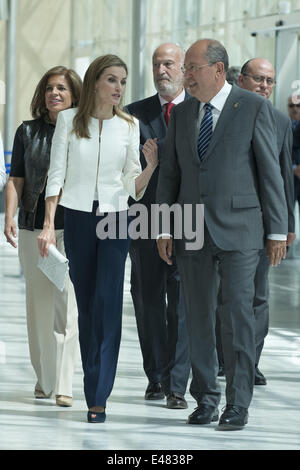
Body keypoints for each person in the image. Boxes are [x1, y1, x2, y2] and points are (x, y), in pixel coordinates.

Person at [156, 39, 288, 430]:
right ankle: (206, 400)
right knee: (196, 318)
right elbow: (170, 175)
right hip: (192, 231)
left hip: (242, 233)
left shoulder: (254, 108)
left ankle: (238, 403)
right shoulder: (181, 115)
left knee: (236, 319)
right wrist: (164, 225)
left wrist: (278, 229)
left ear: (217, 70)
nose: (186, 76)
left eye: (192, 68)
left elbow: (271, 173)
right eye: (186, 69)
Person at [37, 54, 158, 424]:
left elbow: (132, 185)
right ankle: (92, 381)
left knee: (106, 302)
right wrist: (46, 224)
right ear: (94, 84)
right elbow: (56, 174)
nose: (119, 87)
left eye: (122, 81)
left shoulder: (130, 125)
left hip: (117, 218)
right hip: (76, 218)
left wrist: (150, 166)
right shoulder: (70, 121)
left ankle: (98, 395)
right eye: (111, 80)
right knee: (86, 304)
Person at [4, 66, 82, 406]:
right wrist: (9, 213)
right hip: (34, 227)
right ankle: (45, 378)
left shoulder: (85, 132)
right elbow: (16, 177)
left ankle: (64, 383)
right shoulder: (28, 132)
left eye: (62, 88)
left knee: (68, 306)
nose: (55, 93)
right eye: (50, 87)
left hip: (72, 229)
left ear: (74, 94)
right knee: (39, 307)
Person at [217, 58, 295, 385]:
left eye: (270, 81)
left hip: (264, 223)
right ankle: (227, 358)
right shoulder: (221, 116)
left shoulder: (280, 121)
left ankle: (251, 360)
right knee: (226, 294)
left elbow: (282, 178)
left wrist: (287, 225)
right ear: (242, 80)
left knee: (259, 295)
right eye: (258, 79)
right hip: (224, 221)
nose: (264, 86)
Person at [126, 43, 190, 409]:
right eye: (156, 64)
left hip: (187, 221)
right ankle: (157, 376)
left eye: (168, 63)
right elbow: (129, 168)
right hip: (144, 219)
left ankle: (177, 384)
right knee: (148, 300)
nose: (161, 70)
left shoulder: (198, 112)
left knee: (181, 303)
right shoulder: (134, 115)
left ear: (183, 69)